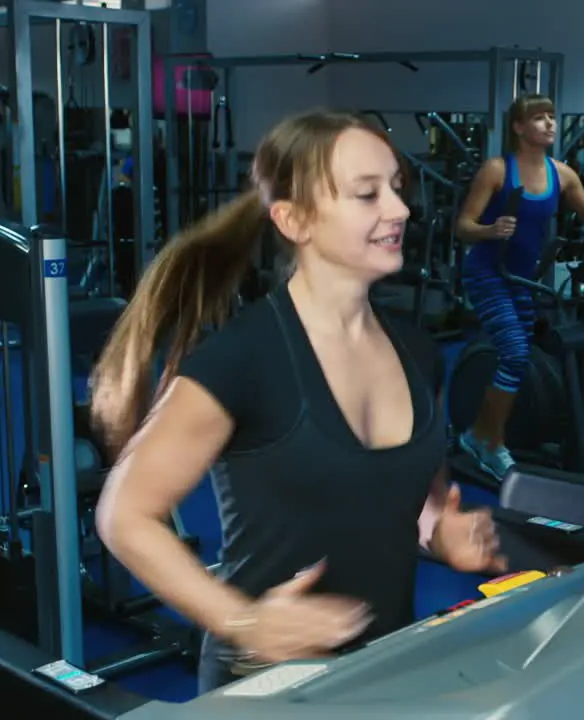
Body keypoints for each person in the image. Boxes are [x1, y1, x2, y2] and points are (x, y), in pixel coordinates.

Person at [91, 111, 507, 694]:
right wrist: (241, 620)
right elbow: (123, 514)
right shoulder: (242, 358)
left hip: (384, 666)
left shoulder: (417, 351)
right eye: (367, 194)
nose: (400, 210)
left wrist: (440, 530)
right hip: (266, 685)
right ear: (294, 219)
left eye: (396, 189)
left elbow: (415, 498)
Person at [454, 94, 584, 479]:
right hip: (487, 273)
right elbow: (462, 226)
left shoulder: (562, 174)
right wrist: (488, 229)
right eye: (539, 118)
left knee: (515, 358)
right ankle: (491, 442)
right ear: (519, 127)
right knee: (515, 354)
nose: (549, 123)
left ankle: (478, 435)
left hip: (522, 278)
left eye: (551, 117)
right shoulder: (497, 171)